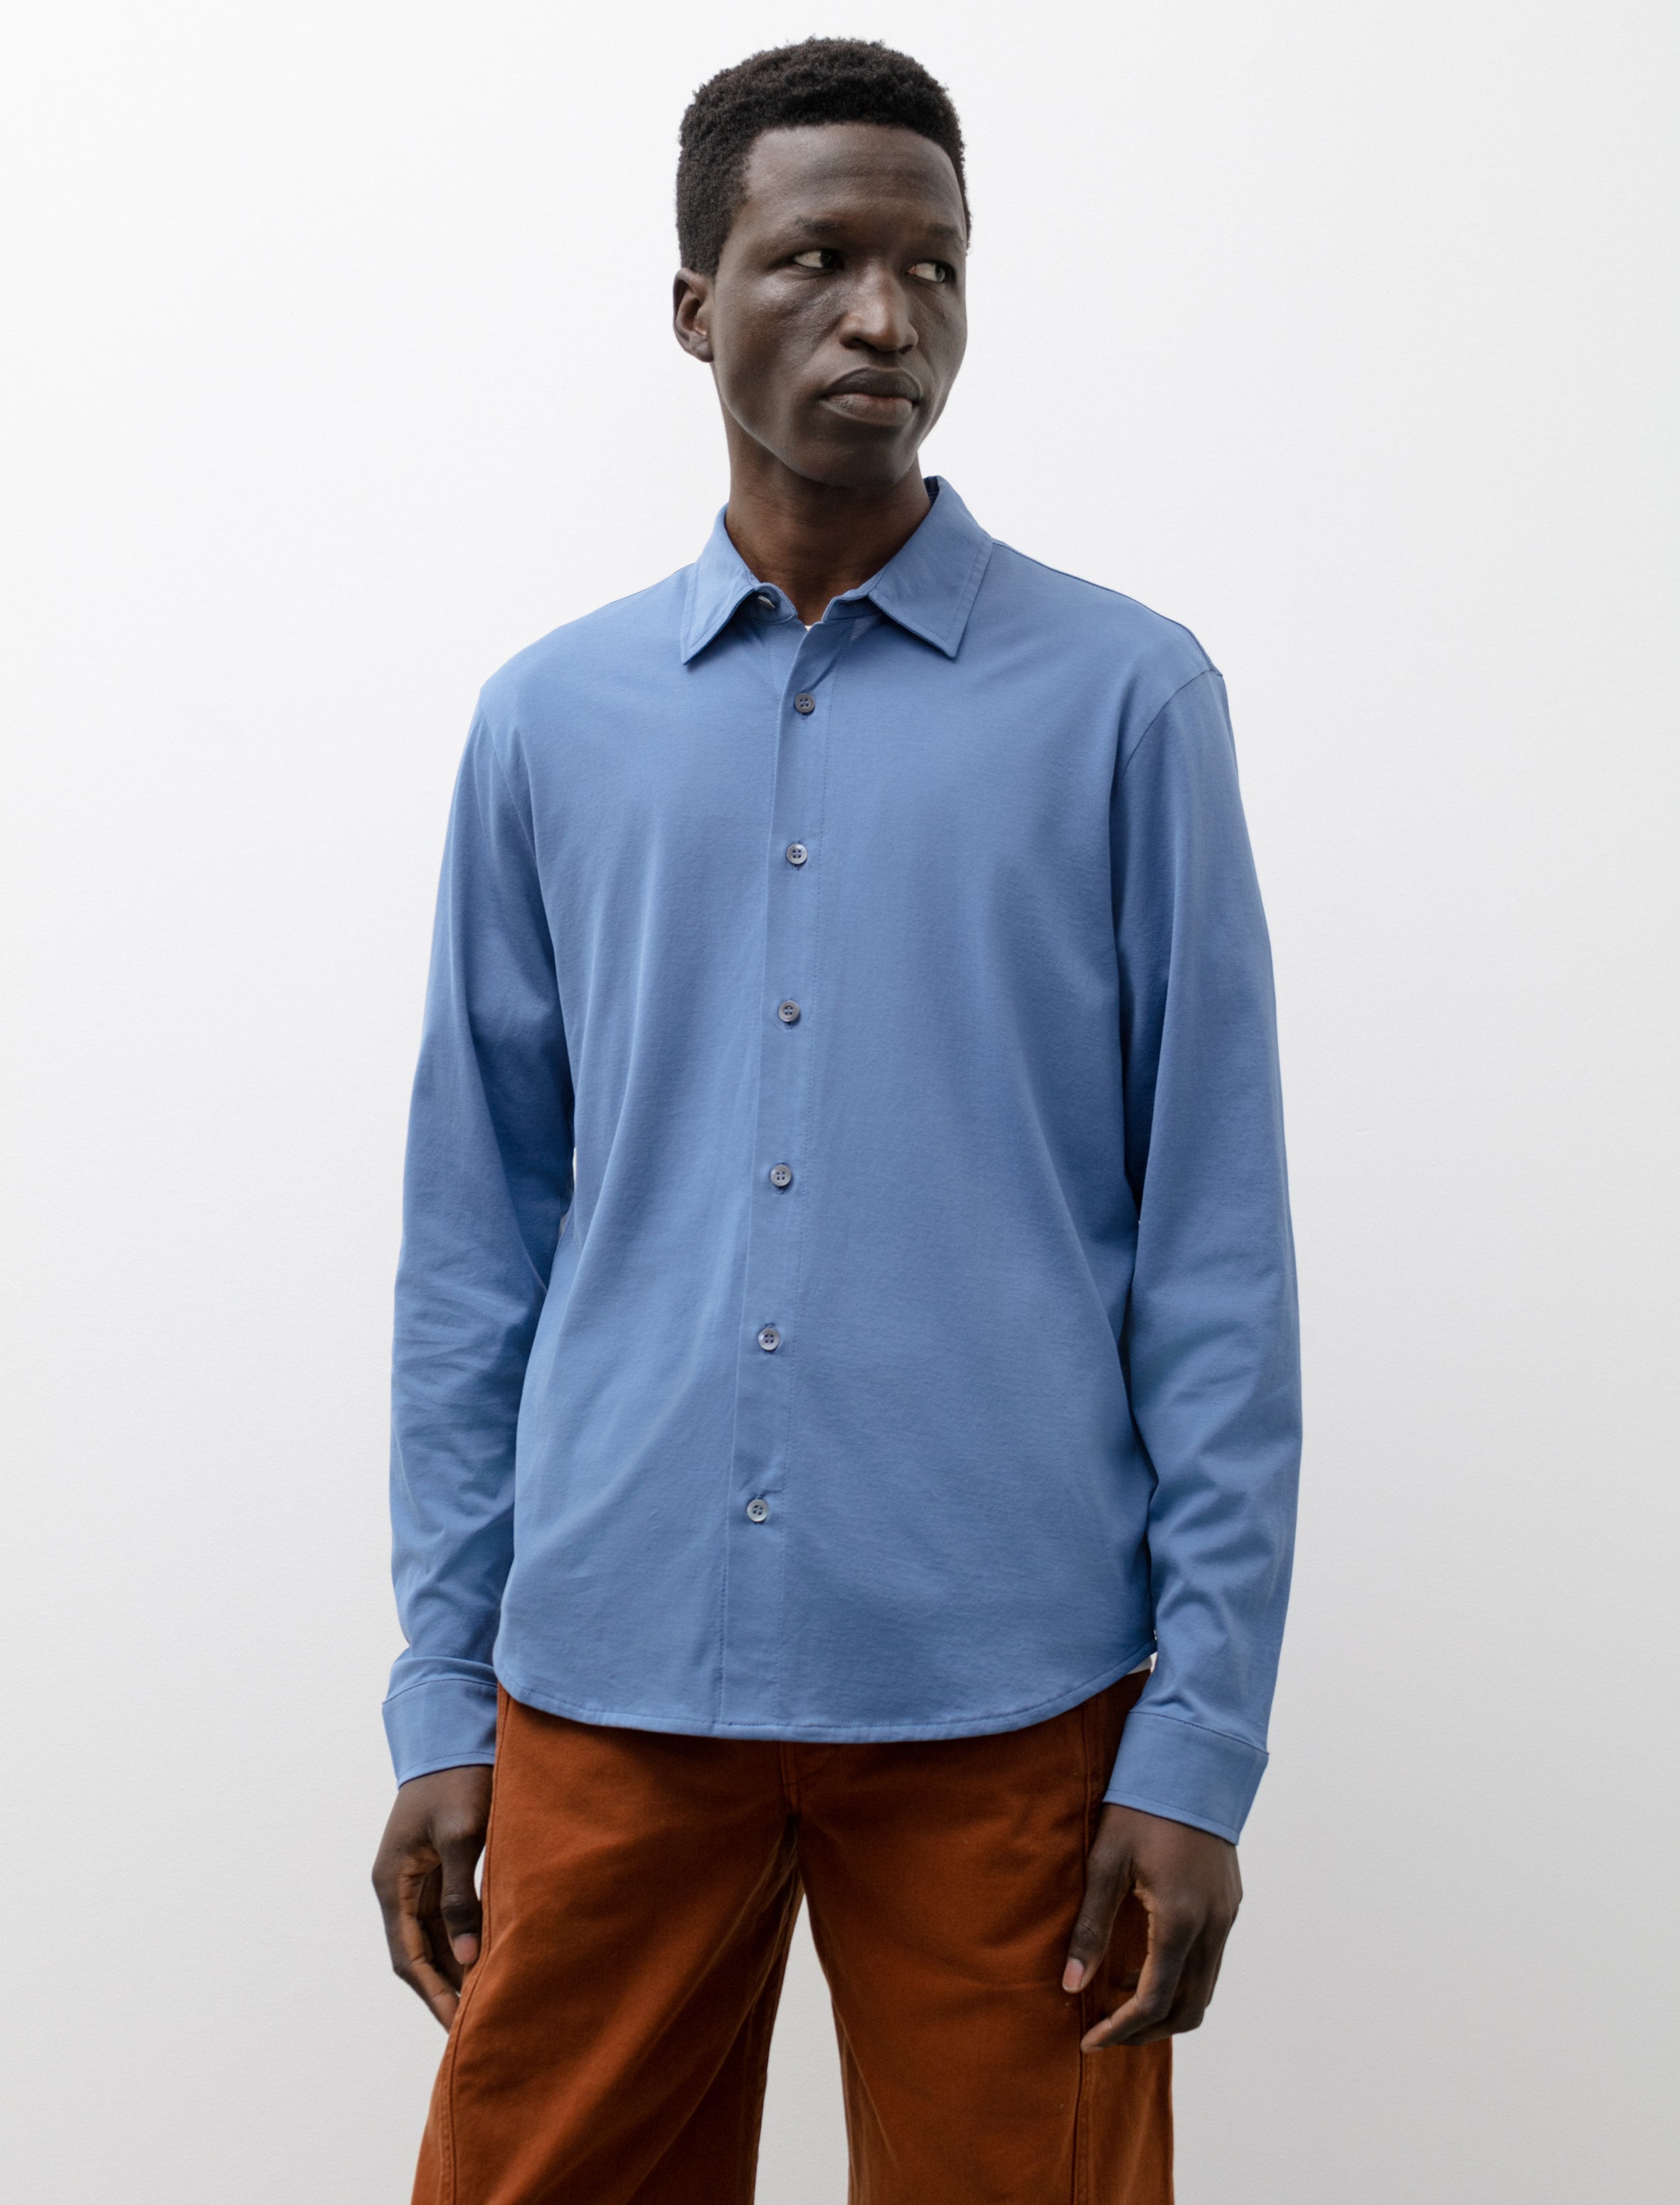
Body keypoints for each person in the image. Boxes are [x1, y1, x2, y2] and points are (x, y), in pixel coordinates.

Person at [371, 36, 1299, 2204]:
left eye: (931, 266)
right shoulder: (548, 722)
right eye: (817, 259)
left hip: (1010, 1696)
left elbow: (1214, 1252)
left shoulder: (1126, 700)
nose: (886, 317)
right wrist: (441, 1688)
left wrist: (1196, 1739)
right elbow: (476, 1245)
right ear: (695, 303)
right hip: (607, 1672)